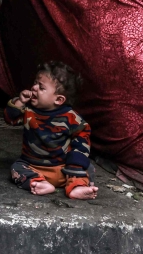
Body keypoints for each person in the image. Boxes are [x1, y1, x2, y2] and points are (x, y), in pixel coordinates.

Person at [5, 61, 98, 200]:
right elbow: (10, 118)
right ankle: (38, 182)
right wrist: (20, 102)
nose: (34, 88)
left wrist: (75, 165)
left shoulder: (72, 118)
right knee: (16, 168)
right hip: (32, 166)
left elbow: (82, 139)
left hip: (63, 168)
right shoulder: (28, 111)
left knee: (87, 168)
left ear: (59, 99)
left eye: (41, 87)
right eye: (35, 83)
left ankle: (76, 187)